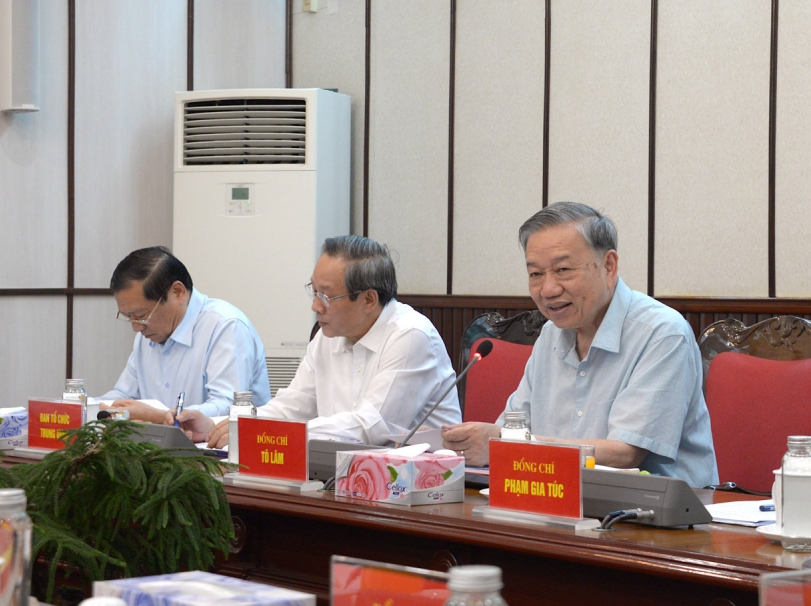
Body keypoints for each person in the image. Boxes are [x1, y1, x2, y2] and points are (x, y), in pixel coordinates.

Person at [442, 202, 719, 488]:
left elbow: (626, 454)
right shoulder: (550, 335)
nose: (548, 289)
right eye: (536, 274)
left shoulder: (662, 333)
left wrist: (504, 443)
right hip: (559, 496)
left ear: (608, 266)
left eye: (563, 269)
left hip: (657, 508)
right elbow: (514, 427)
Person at [180, 235, 460, 446]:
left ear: (368, 299)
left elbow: (370, 429)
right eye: (313, 291)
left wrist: (263, 432)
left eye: (326, 296)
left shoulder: (410, 336)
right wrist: (219, 425)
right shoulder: (329, 336)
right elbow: (291, 407)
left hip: (422, 487)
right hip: (340, 476)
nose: (315, 306)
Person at [100, 246, 270, 424]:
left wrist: (160, 416)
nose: (136, 327)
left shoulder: (225, 326)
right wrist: (94, 407)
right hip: (163, 441)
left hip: (224, 441)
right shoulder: (148, 333)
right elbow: (124, 395)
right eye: (129, 317)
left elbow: (229, 406)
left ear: (177, 292)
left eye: (141, 315)